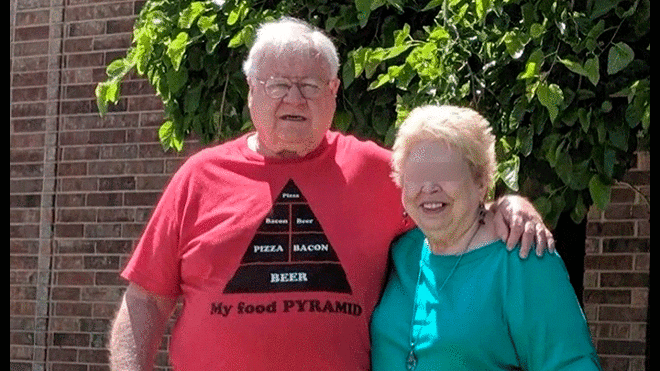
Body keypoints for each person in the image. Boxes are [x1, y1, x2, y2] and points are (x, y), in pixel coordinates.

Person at [109, 18, 554, 371]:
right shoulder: (200, 176)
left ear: (334, 93)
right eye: (278, 84)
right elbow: (146, 298)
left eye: (310, 85)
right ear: (251, 91)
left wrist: (509, 205)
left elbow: (449, 205)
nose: (295, 98)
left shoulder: (376, 170)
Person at [370, 105, 602, 370]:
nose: (429, 188)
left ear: (480, 182)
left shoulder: (521, 256)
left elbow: (570, 363)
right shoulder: (402, 252)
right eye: (418, 175)